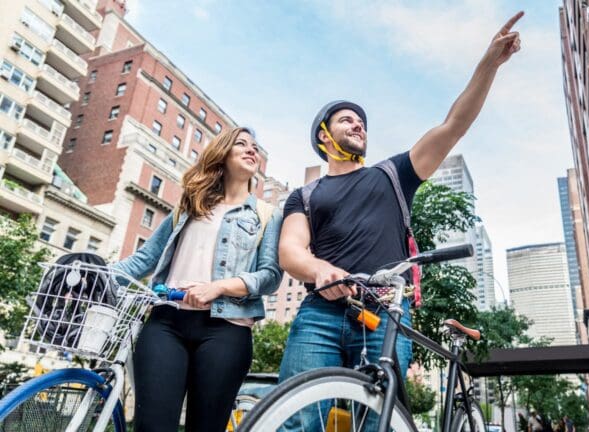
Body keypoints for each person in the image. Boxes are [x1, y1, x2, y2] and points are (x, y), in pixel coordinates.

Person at [276, 10, 524, 431]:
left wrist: (488, 65)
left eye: (362, 122)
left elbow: (453, 125)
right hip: (319, 313)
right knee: (297, 419)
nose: (358, 125)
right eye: (346, 119)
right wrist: (321, 270)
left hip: (385, 312)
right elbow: (290, 250)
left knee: (377, 421)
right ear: (323, 136)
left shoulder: (393, 175)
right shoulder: (306, 194)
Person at [113, 127, 283, 431]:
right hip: (166, 323)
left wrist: (217, 287)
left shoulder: (266, 214)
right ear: (222, 153)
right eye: (241, 144)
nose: (251, 150)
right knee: (152, 426)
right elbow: (145, 258)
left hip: (226, 331)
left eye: (255, 147)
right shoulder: (190, 205)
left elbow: (270, 276)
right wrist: (98, 275)